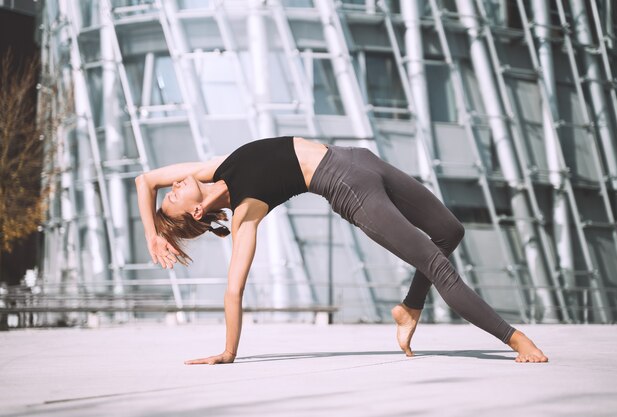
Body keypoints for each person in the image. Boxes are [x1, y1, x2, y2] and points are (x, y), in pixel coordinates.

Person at [135, 136, 548, 365]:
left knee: (449, 231)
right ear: (196, 211)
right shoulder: (246, 213)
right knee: (435, 262)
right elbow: (233, 291)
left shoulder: (215, 166)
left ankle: (409, 307)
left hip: (359, 158)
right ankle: (514, 340)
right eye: (174, 197)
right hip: (350, 190)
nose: (173, 185)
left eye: (172, 189)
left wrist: (154, 232)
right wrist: (228, 352)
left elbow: (145, 179)